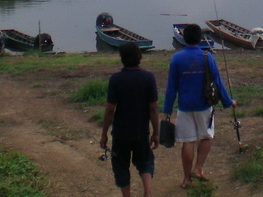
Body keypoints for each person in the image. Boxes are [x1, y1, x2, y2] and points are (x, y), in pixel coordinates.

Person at [163, 23, 237, 189]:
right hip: (204, 105)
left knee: (187, 142)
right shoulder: (207, 57)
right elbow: (217, 82)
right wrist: (228, 101)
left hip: (184, 107)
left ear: (184, 38)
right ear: (200, 39)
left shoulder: (176, 58)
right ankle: (198, 168)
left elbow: (171, 88)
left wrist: (167, 110)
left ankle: (186, 179)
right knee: (207, 137)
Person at [100, 41, 159, 197]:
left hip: (121, 132)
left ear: (122, 58)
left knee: (120, 164)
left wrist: (104, 133)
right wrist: (156, 132)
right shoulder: (148, 77)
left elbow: (110, 109)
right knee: (145, 160)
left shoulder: (116, 79)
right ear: (139, 56)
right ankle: (148, 192)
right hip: (141, 131)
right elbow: (152, 108)